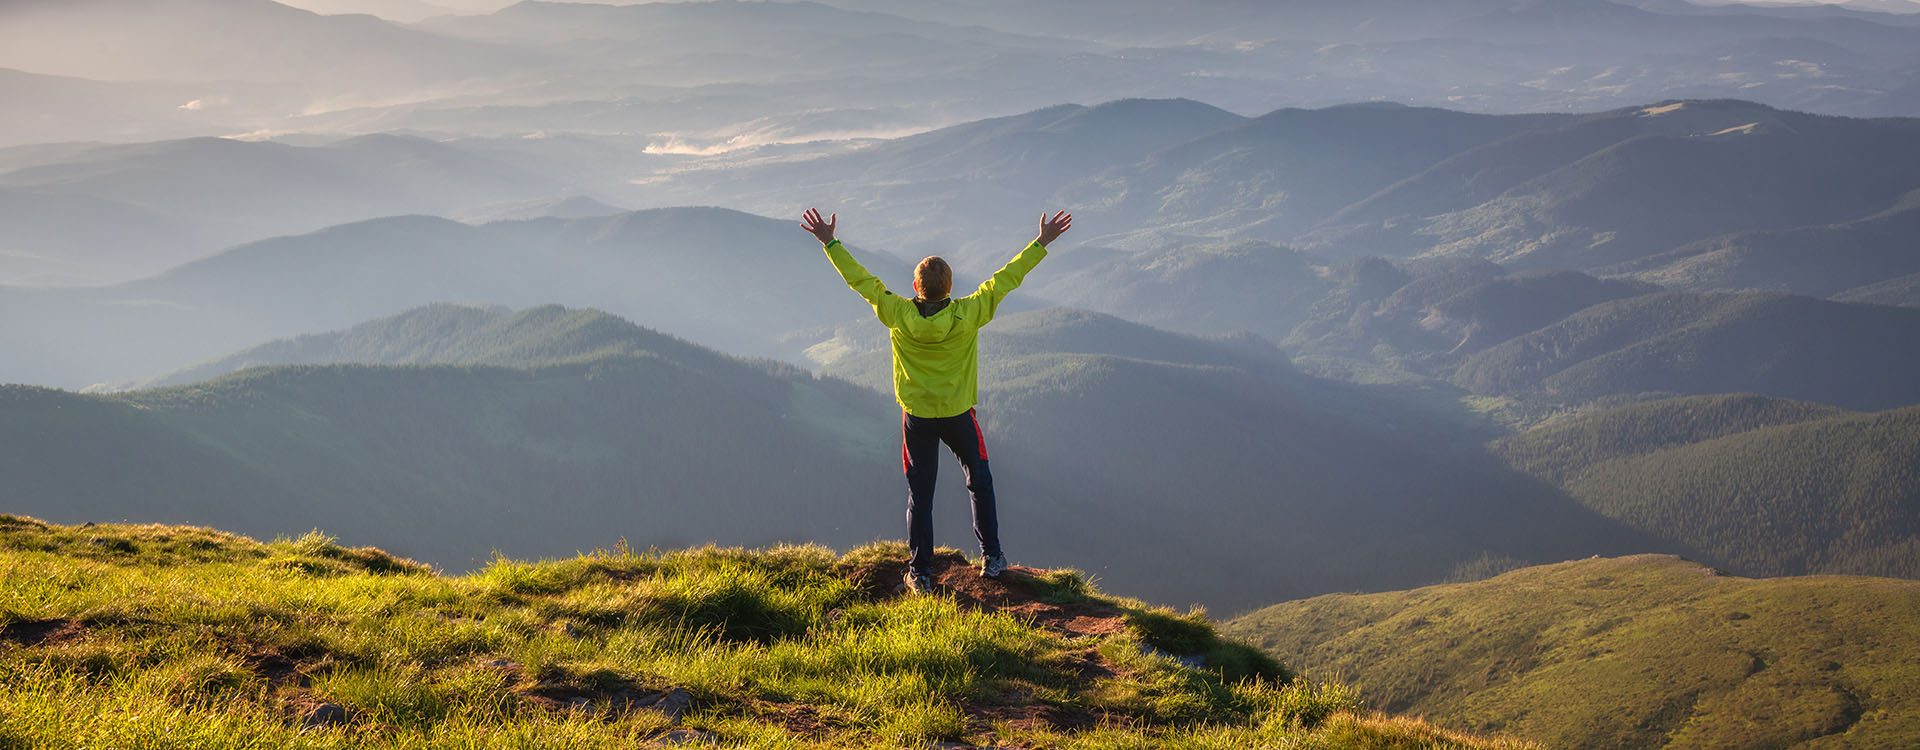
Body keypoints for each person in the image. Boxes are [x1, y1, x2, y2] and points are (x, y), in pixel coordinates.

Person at [802, 207, 1072, 594]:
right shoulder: (969, 313)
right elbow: (1006, 279)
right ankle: (992, 558)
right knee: (979, 481)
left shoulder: (896, 313)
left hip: (918, 419)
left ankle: (922, 573)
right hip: (959, 415)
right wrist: (1042, 241)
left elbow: (860, 281)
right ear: (949, 288)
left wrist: (829, 241)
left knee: (921, 495)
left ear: (916, 288)